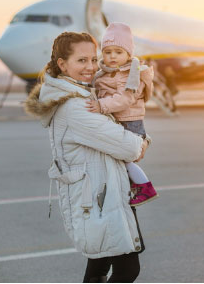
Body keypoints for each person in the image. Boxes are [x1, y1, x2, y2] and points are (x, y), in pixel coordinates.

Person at [24, 32, 149, 283]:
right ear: (62, 64)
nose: (91, 67)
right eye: (82, 61)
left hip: (101, 196)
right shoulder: (75, 107)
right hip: (98, 201)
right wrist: (143, 142)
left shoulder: (83, 95)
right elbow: (130, 148)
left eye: (94, 59)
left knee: (98, 270)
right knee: (127, 270)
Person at [86, 23, 158, 206]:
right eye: (108, 52)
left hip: (129, 121)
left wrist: (100, 105)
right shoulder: (107, 73)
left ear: (128, 54)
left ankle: (145, 186)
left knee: (123, 158)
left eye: (118, 52)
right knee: (118, 160)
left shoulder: (128, 74)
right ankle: (133, 186)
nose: (112, 56)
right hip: (119, 120)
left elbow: (124, 99)